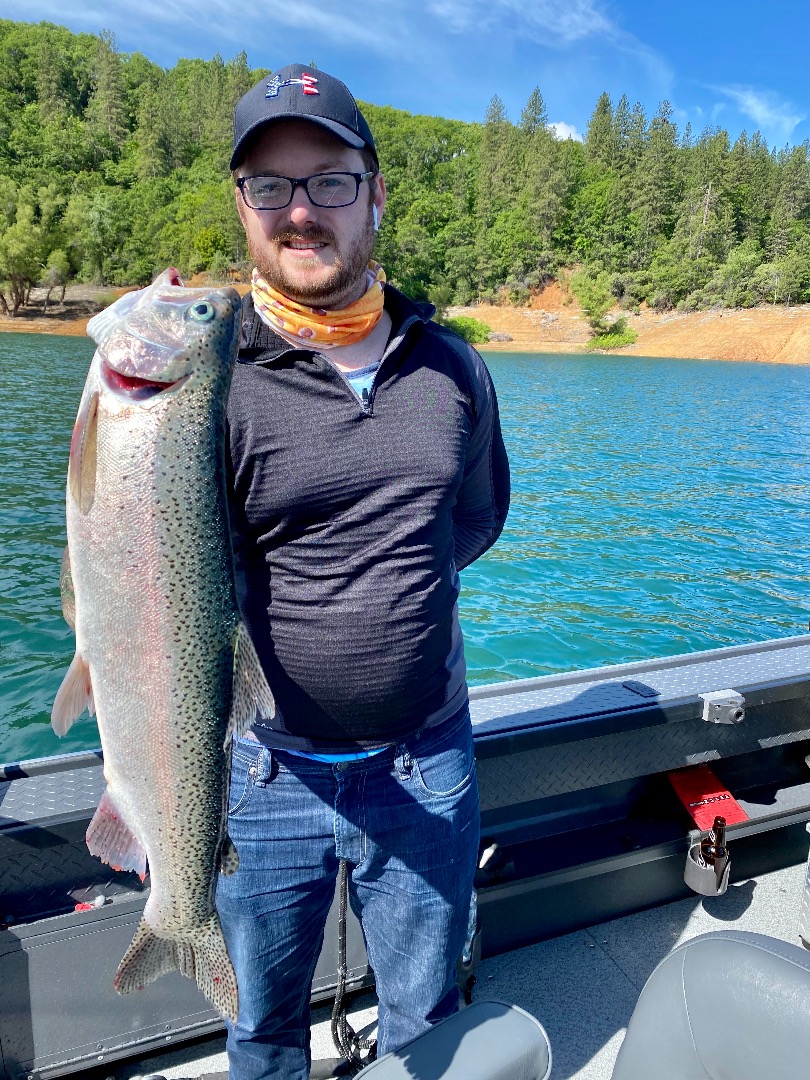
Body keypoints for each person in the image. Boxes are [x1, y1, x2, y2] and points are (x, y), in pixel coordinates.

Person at [216, 62, 510, 1080]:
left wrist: (383, 604)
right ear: (243, 207)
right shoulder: (199, 383)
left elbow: (471, 522)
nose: (302, 212)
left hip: (426, 763)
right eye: (272, 187)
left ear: (376, 194)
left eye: (330, 181)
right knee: (260, 1032)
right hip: (263, 774)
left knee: (427, 1020)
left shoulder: (455, 367)